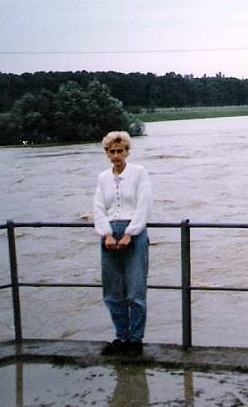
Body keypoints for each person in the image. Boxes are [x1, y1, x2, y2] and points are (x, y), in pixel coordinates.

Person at [93, 131, 152, 357]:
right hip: (109, 232)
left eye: (120, 151)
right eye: (112, 151)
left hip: (133, 233)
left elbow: (144, 204)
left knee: (136, 289)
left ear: (127, 151)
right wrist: (106, 234)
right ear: (106, 153)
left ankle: (135, 340)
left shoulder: (139, 173)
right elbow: (98, 207)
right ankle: (121, 336)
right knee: (112, 290)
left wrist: (130, 233)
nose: (116, 155)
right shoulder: (102, 178)